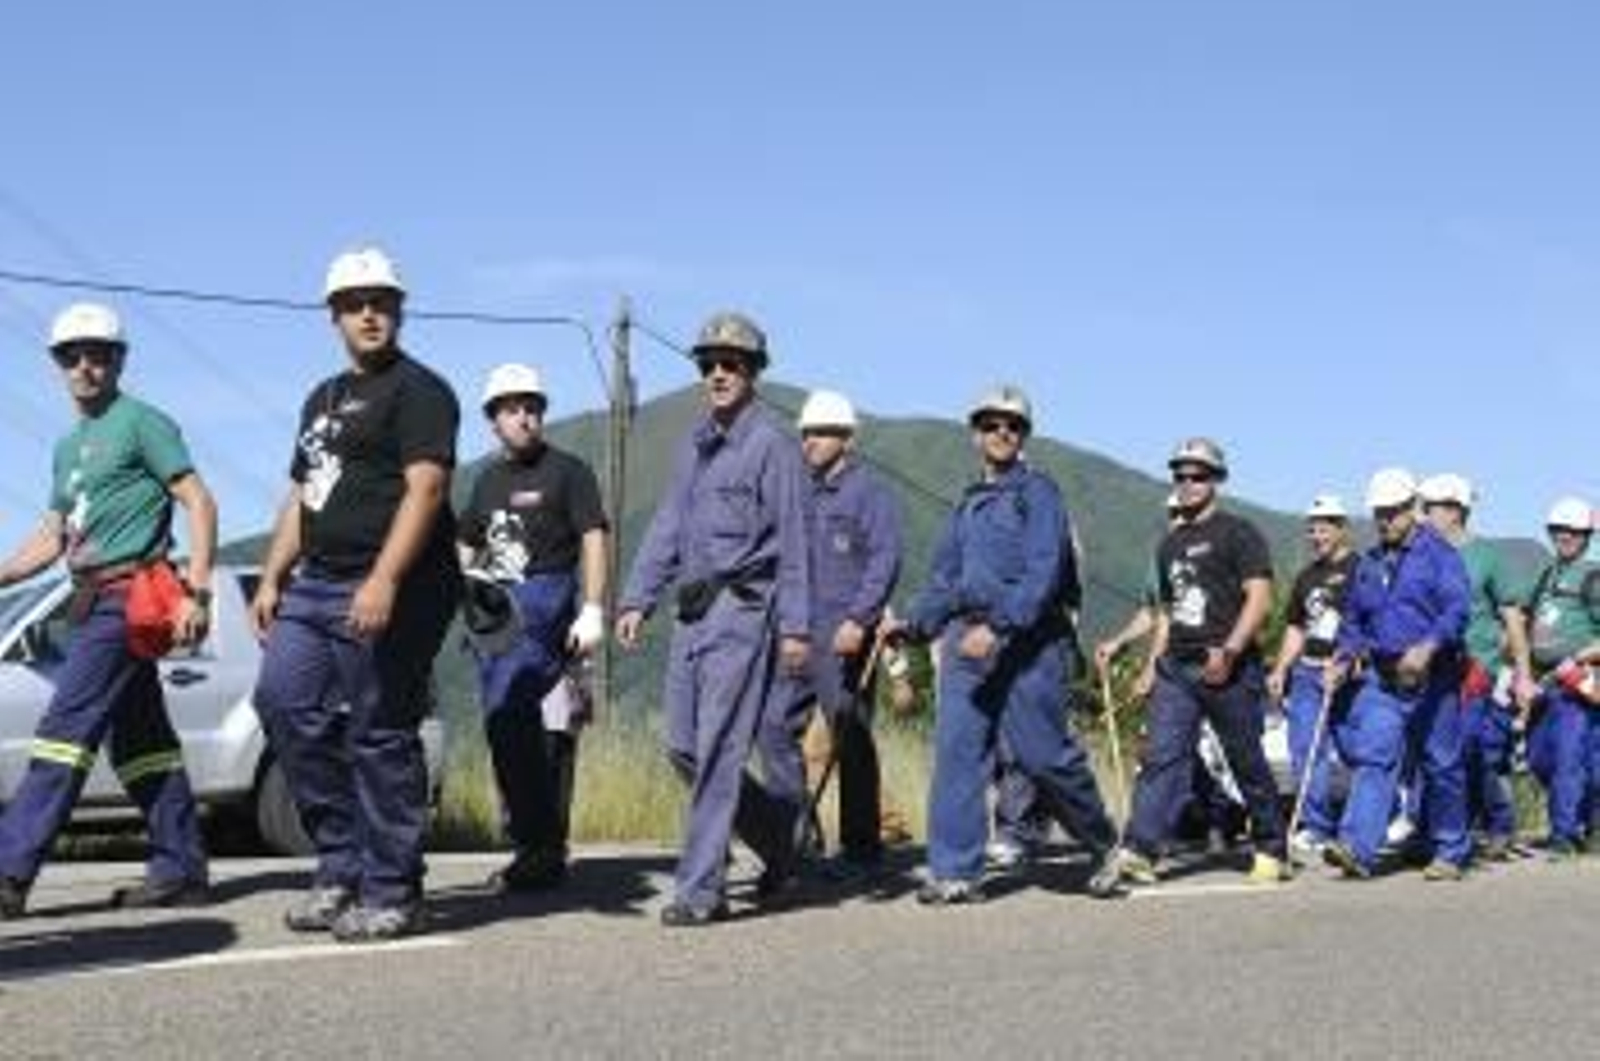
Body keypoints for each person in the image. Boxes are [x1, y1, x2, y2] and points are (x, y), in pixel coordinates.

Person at [250, 248, 462, 942]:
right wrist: (274, 571)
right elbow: (305, 494)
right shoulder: (323, 398)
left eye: (382, 300)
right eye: (355, 302)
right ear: (334, 315)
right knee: (283, 701)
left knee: (379, 728)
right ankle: (340, 865)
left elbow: (426, 488)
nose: (370, 312)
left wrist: (385, 579)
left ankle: (394, 887)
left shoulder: (420, 390)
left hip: (395, 582)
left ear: (398, 309)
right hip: (317, 580)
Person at [0, 302, 217, 918]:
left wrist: (196, 592)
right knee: (142, 741)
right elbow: (50, 537)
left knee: (64, 733)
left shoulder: (143, 423)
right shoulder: (68, 447)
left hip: (131, 596)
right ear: (57, 365)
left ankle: (9, 871)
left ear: (118, 360)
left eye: (99, 354)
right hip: (89, 597)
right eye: (72, 356)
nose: (85, 366)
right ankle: (181, 869)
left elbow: (199, 502)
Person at [615, 311, 811, 927]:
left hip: (745, 612)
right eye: (708, 364)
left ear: (753, 372)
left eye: (731, 364)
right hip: (693, 611)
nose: (718, 373)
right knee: (682, 746)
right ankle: (779, 836)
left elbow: (796, 540)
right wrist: (636, 598)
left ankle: (701, 890)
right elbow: (669, 525)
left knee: (721, 746)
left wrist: (799, 629)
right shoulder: (694, 446)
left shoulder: (772, 445)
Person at [892, 384, 1122, 904]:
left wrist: (998, 628)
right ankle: (954, 871)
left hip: (1028, 643)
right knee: (958, 754)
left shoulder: (1038, 493)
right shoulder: (968, 503)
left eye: (1011, 425)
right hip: (963, 643)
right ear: (976, 434)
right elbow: (946, 578)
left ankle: (1104, 843)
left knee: (1044, 757)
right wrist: (915, 624)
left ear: (1023, 436)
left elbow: (1045, 573)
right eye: (991, 424)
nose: (1001, 433)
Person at [1094, 437, 1288, 890]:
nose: (1187, 482)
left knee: (1245, 759)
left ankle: (1270, 847)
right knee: (1161, 757)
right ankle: (1140, 849)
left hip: (1229, 666)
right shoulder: (1169, 544)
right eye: (1180, 475)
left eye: (1197, 475)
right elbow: (1160, 610)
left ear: (1216, 480)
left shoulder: (1239, 532)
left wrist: (1232, 650)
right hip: (1177, 669)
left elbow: (1260, 598)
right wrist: (1119, 643)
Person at [457, 363, 609, 891]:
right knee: (505, 724)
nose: (523, 417)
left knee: (508, 706)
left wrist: (593, 607)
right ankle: (536, 843)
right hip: (492, 607)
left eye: (531, 407)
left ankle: (539, 844)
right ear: (493, 420)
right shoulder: (486, 480)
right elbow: (468, 540)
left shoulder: (568, 472)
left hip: (546, 597)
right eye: (511, 409)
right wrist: (461, 584)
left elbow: (592, 536)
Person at [765, 389, 902, 882]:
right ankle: (798, 837)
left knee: (850, 737)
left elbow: (885, 558)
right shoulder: (797, 491)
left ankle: (862, 849)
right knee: (774, 725)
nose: (810, 442)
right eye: (805, 433)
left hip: (845, 635)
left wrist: (860, 619)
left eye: (821, 433)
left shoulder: (870, 493)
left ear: (847, 438)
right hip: (797, 631)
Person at [1323, 468, 1471, 881]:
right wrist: (1344, 656)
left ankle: (1450, 849)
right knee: (1376, 756)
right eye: (1378, 513)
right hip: (1385, 677)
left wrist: (1427, 647)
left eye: (1392, 512)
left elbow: (1457, 610)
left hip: (1433, 675)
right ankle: (1358, 848)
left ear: (1413, 509)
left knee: (1441, 763)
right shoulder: (1369, 563)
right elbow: (1354, 619)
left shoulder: (1440, 556)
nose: (1385, 520)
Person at [1417, 473, 1533, 861]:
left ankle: (1496, 824)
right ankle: (1436, 833)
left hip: (1476, 668)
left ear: (1454, 510)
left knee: (1466, 747)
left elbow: (1513, 617)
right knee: (1433, 752)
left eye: (1428, 507)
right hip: (1432, 668)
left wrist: (1522, 672)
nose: (1421, 515)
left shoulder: (1488, 556)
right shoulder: (1422, 553)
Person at [1266, 494, 1358, 861]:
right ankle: (1316, 826)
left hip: (1348, 672)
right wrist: (1280, 668)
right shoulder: (1307, 576)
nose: (1317, 535)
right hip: (1307, 671)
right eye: (1313, 528)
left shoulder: (1360, 569)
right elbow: (1295, 627)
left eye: (1324, 527)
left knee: (1356, 748)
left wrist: (1354, 659)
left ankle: (1377, 820)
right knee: (1305, 749)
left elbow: (1368, 621)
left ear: (1341, 528)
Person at [1520, 496, 1600, 858]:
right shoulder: (1547, 574)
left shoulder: (1594, 576)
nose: (1565, 536)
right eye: (1559, 530)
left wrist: (1578, 658)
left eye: (1574, 531)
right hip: (1544, 685)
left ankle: (1565, 835)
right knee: (1538, 758)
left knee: (1570, 757)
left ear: (1587, 535)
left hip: (1578, 686)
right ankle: (1583, 819)